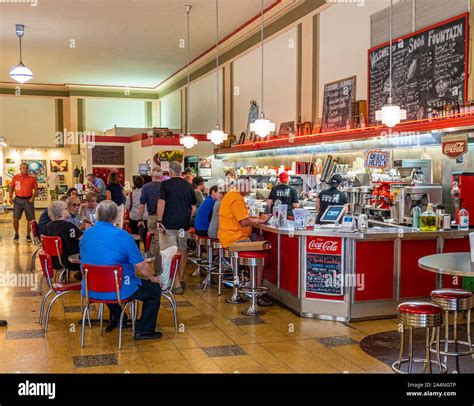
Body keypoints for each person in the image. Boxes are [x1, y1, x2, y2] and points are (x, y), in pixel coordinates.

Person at [80, 200, 163, 339]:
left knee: (106, 280)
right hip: (118, 287)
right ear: (115, 217)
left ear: (97, 215)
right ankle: (144, 330)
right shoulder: (122, 235)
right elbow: (141, 265)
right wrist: (153, 278)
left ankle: (119, 316)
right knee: (154, 290)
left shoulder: (86, 234)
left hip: (91, 287)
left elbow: (84, 256)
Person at [218, 175, 272, 306]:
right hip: (234, 239)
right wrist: (261, 220)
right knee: (262, 251)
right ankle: (256, 293)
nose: (251, 189)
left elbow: (242, 217)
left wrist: (257, 218)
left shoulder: (232, 195)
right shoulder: (236, 198)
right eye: (249, 186)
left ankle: (246, 285)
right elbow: (244, 221)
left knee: (259, 239)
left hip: (229, 237)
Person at [157, 161, 196, 294]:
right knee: (182, 251)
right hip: (183, 226)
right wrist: (186, 218)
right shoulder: (189, 186)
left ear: (170, 172)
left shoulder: (165, 184)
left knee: (170, 253)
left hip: (168, 224)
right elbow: (193, 208)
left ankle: (175, 283)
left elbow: (161, 203)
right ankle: (179, 279)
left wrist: (158, 220)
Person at [44, 200, 82, 272]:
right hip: (69, 261)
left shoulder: (48, 226)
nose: (68, 210)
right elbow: (82, 239)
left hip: (53, 260)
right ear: (61, 212)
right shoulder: (69, 226)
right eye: (66, 209)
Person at [138, 167, 162, 274]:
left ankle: (151, 262)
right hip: (164, 218)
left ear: (151, 175)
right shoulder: (164, 186)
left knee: (155, 242)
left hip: (151, 217)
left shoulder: (146, 187)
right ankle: (157, 269)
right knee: (160, 243)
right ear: (161, 175)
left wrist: (140, 219)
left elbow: (142, 205)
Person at [9, 163, 38, 243]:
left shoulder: (32, 178)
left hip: (29, 200)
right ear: (20, 168)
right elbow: (11, 187)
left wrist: (33, 197)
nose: (24, 169)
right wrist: (10, 196)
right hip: (18, 199)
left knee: (30, 219)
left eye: (26, 168)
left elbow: (36, 190)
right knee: (15, 218)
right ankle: (16, 233)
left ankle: (28, 235)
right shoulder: (15, 177)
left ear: (28, 169)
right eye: (23, 168)